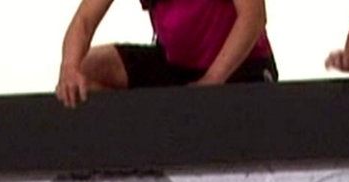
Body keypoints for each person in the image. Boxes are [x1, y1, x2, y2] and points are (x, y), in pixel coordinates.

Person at [57, 0, 276, 109]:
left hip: (240, 68)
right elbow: (83, 21)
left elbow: (253, 18)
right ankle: (143, 140)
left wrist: (212, 80)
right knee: (86, 70)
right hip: (177, 67)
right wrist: (69, 67)